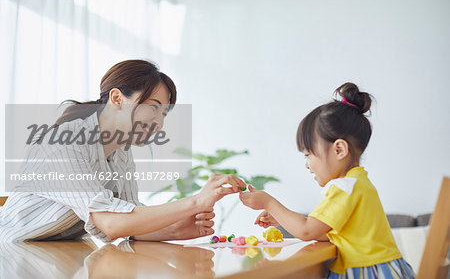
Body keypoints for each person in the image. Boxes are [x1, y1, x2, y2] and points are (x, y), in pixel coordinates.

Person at [0, 59, 246, 242]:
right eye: (153, 107)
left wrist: (175, 228)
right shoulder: (63, 141)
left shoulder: (121, 151)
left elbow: (128, 217)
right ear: (117, 98)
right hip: (12, 252)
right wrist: (194, 202)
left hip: (58, 252)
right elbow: (111, 223)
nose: (159, 122)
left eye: (164, 114)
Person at [239, 83, 415, 278]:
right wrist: (283, 219)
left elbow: (308, 231)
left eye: (308, 155)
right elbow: (326, 230)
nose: (307, 165)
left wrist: (269, 203)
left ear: (339, 150)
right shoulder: (358, 183)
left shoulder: (345, 188)